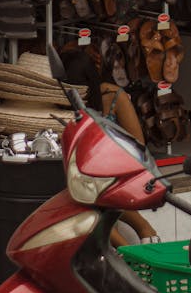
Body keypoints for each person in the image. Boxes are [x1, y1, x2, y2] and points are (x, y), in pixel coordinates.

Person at [62, 48, 160, 243]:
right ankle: (134, 242)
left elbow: (138, 148)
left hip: (117, 173)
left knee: (92, 192)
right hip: (84, 178)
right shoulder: (59, 105)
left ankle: (136, 239)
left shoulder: (112, 96)